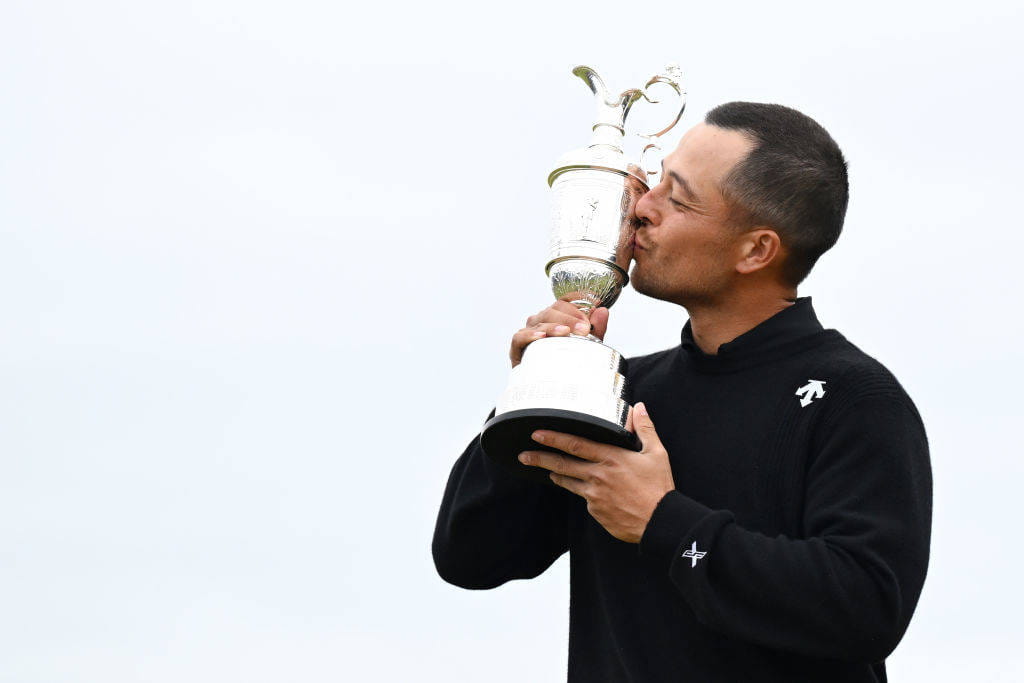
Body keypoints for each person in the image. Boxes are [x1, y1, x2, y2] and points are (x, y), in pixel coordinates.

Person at [431, 102, 932, 682]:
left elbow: (866, 608)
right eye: (657, 180)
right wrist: (538, 388)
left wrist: (662, 522)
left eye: (678, 197)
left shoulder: (853, 397)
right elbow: (468, 555)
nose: (641, 207)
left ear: (756, 250)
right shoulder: (622, 390)